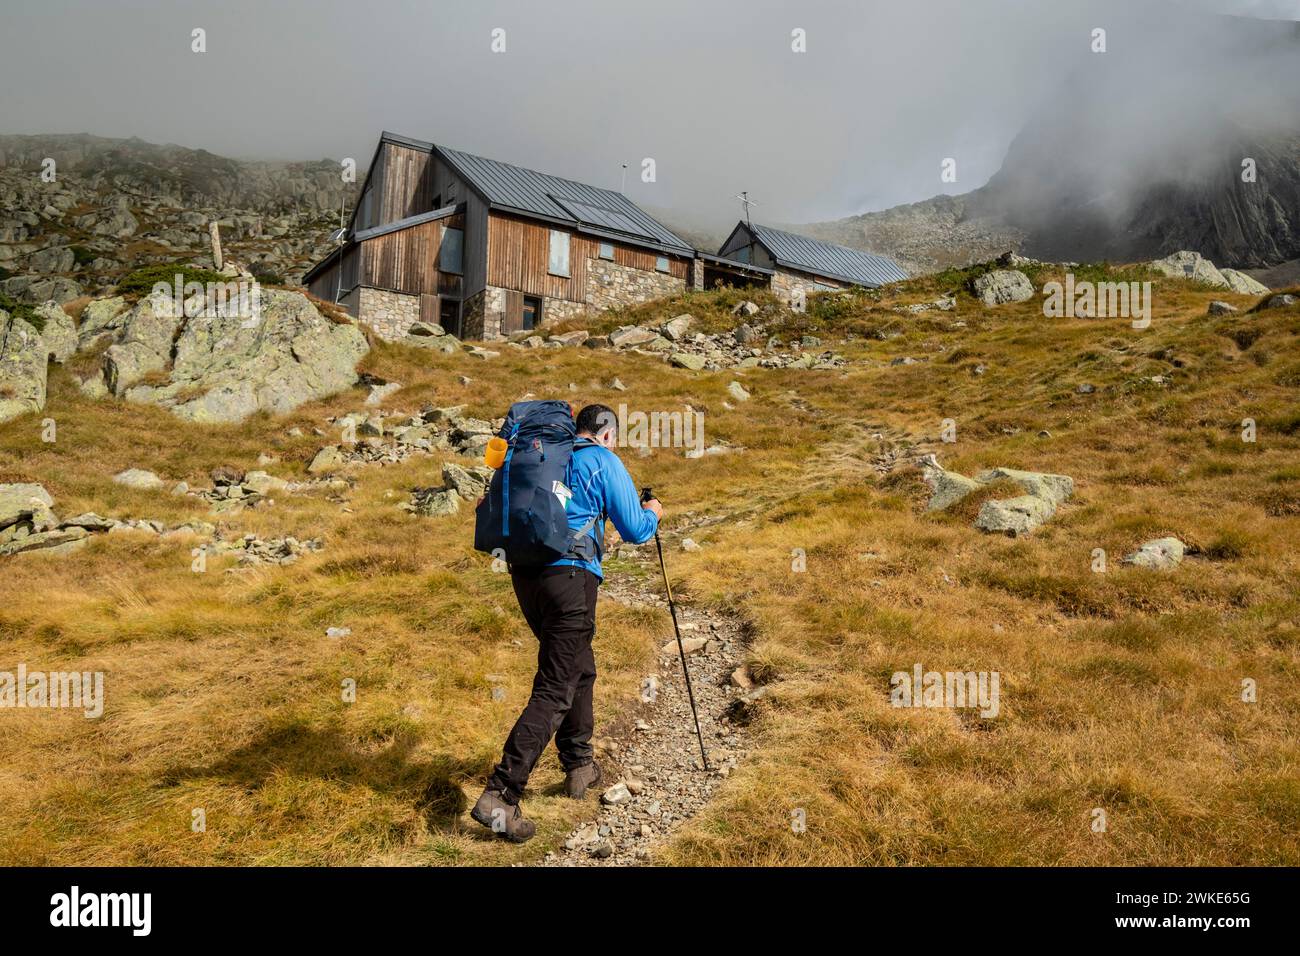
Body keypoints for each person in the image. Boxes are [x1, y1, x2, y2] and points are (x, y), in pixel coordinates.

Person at [471, 404, 662, 842]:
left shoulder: (540, 455)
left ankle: (579, 767)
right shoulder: (601, 459)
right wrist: (654, 512)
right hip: (570, 578)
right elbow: (634, 529)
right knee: (556, 685)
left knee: (579, 667)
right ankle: (500, 794)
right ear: (608, 433)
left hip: (525, 576)